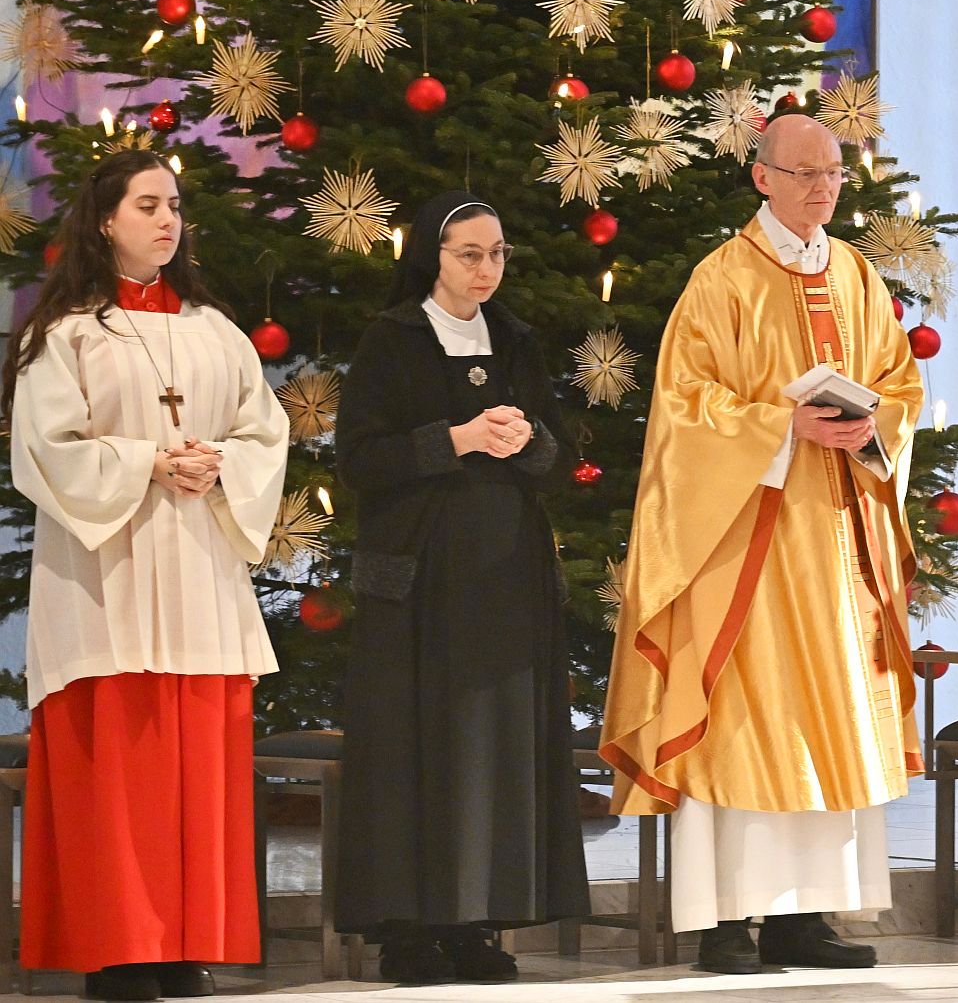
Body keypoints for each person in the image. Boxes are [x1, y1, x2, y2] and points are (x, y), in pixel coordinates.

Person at [598, 115, 924, 975]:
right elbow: (683, 407)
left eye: (834, 172)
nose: (823, 187)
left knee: (831, 719)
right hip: (749, 541)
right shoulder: (722, 280)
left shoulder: (855, 274)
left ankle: (805, 918)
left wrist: (870, 428)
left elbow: (899, 384)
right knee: (747, 716)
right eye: (804, 172)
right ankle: (725, 922)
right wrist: (782, 426)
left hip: (839, 537)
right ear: (762, 178)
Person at [4, 150, 289, 1001]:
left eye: (174, 206)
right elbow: (44, 449)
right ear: (105, 220)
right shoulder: (66, 336)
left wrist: (218, 461)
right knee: (119, 771)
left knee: (197, 769)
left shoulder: (215, 331)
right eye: (148, 205)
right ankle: (118, 950)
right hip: (107, 574)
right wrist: (148, 463)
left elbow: (264, 431)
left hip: (199, 572)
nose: (168, 220)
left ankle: (185, 943)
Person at [334, 193, 589, 982]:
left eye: (497, 254)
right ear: (432, 257)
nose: (487, 269)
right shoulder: (391, 339)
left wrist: (528, 440)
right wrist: (456, 439)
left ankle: (477, 920)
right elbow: (360, 459)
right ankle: (407, 929)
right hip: (416, 584)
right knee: (412, 747)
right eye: (469, 254)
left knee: (493, 752)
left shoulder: (514, 340)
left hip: (504, 580)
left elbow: (559, 455)